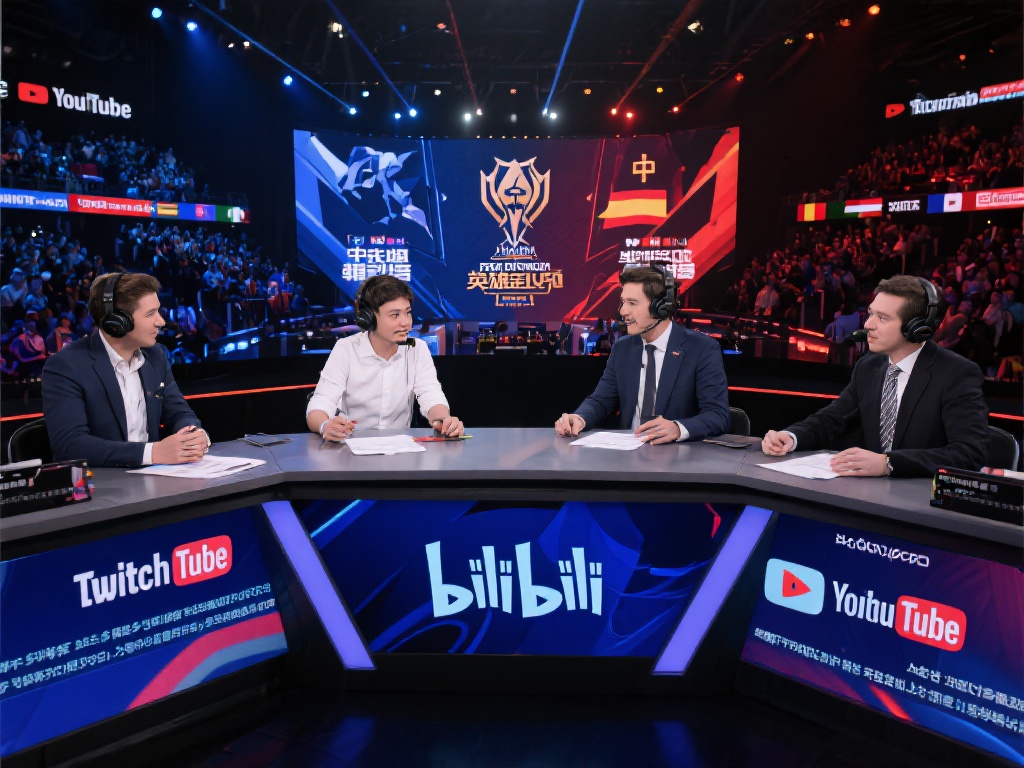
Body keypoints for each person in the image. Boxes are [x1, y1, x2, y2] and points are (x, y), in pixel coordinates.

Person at [762, 275, 988, 478]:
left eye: (882, 318)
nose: (868, 325)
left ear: (917, 328)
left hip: (922, 500)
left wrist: (888, 463)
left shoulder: (956, 373)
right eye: (871, 314)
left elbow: (969, 453)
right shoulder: (868, 366)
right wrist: (791, 437)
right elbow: (832, 419)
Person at [42, 272, 209, 467]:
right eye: (150, 314)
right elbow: (69, 445)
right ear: (117, 321)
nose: (161, 322)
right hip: (102, 483)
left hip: (155, 480)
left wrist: (192, 435)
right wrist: (152, 453)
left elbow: (179, 413)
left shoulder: (156, 355)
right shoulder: (66, 366)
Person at [555, 266, 730, 444]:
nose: (623, 311)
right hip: (628, 454)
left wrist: (678, 428)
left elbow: (718, 416)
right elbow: (601, 401)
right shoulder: (622, 348)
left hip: (678, 455)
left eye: (632, 303)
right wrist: (580, 417)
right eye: (623, 302)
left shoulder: (702, 348)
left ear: (660, 307)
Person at [306, 275, 463, 441]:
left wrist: (443, 420)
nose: (405, 323)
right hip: (351, 446)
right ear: (369, 318)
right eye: (395, 315)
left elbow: (430, 394)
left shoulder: (417, 348)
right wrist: (325, 425)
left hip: (400, 449)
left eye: (408, 313)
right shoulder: (346, 349)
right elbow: (321, 402)